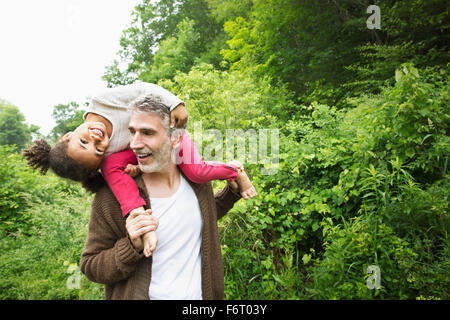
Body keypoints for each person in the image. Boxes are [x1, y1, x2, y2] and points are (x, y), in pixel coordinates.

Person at [22, 82, 256, 257]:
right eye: (98, 151)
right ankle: (139, 217)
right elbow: (126, 160)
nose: (96, 141)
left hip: (168, 132)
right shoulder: (109, 162)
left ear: (68, 136)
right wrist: (136, 169)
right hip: (146, 151)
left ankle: (234, 170)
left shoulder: (103, 102)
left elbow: (144, 88)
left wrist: (176, 103)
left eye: (84, 142)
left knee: (195, 171)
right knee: (112, 167)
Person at [80, 95, 244, 299]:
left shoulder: (197, 183)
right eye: (132, 132)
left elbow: (195, 217)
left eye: (147, 133)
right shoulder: (111, 197)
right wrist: (132, 246)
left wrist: (232, 192)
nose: (134, 144)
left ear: (175, 139)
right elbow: (90, 266)